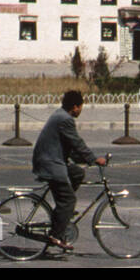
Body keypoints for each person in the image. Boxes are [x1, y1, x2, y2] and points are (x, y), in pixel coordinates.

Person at [32, 90, 105, 252]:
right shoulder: (65, 120)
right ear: (75, 107)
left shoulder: (60, 115)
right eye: (81, 107)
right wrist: (93, 159)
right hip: (50, 164)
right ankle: (56, 235)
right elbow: (77, 143)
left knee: (77, 173)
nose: (81, 110)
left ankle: (63, 213)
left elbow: (69, 146)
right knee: (69, 200)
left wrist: (83, 160)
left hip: (52, 160)